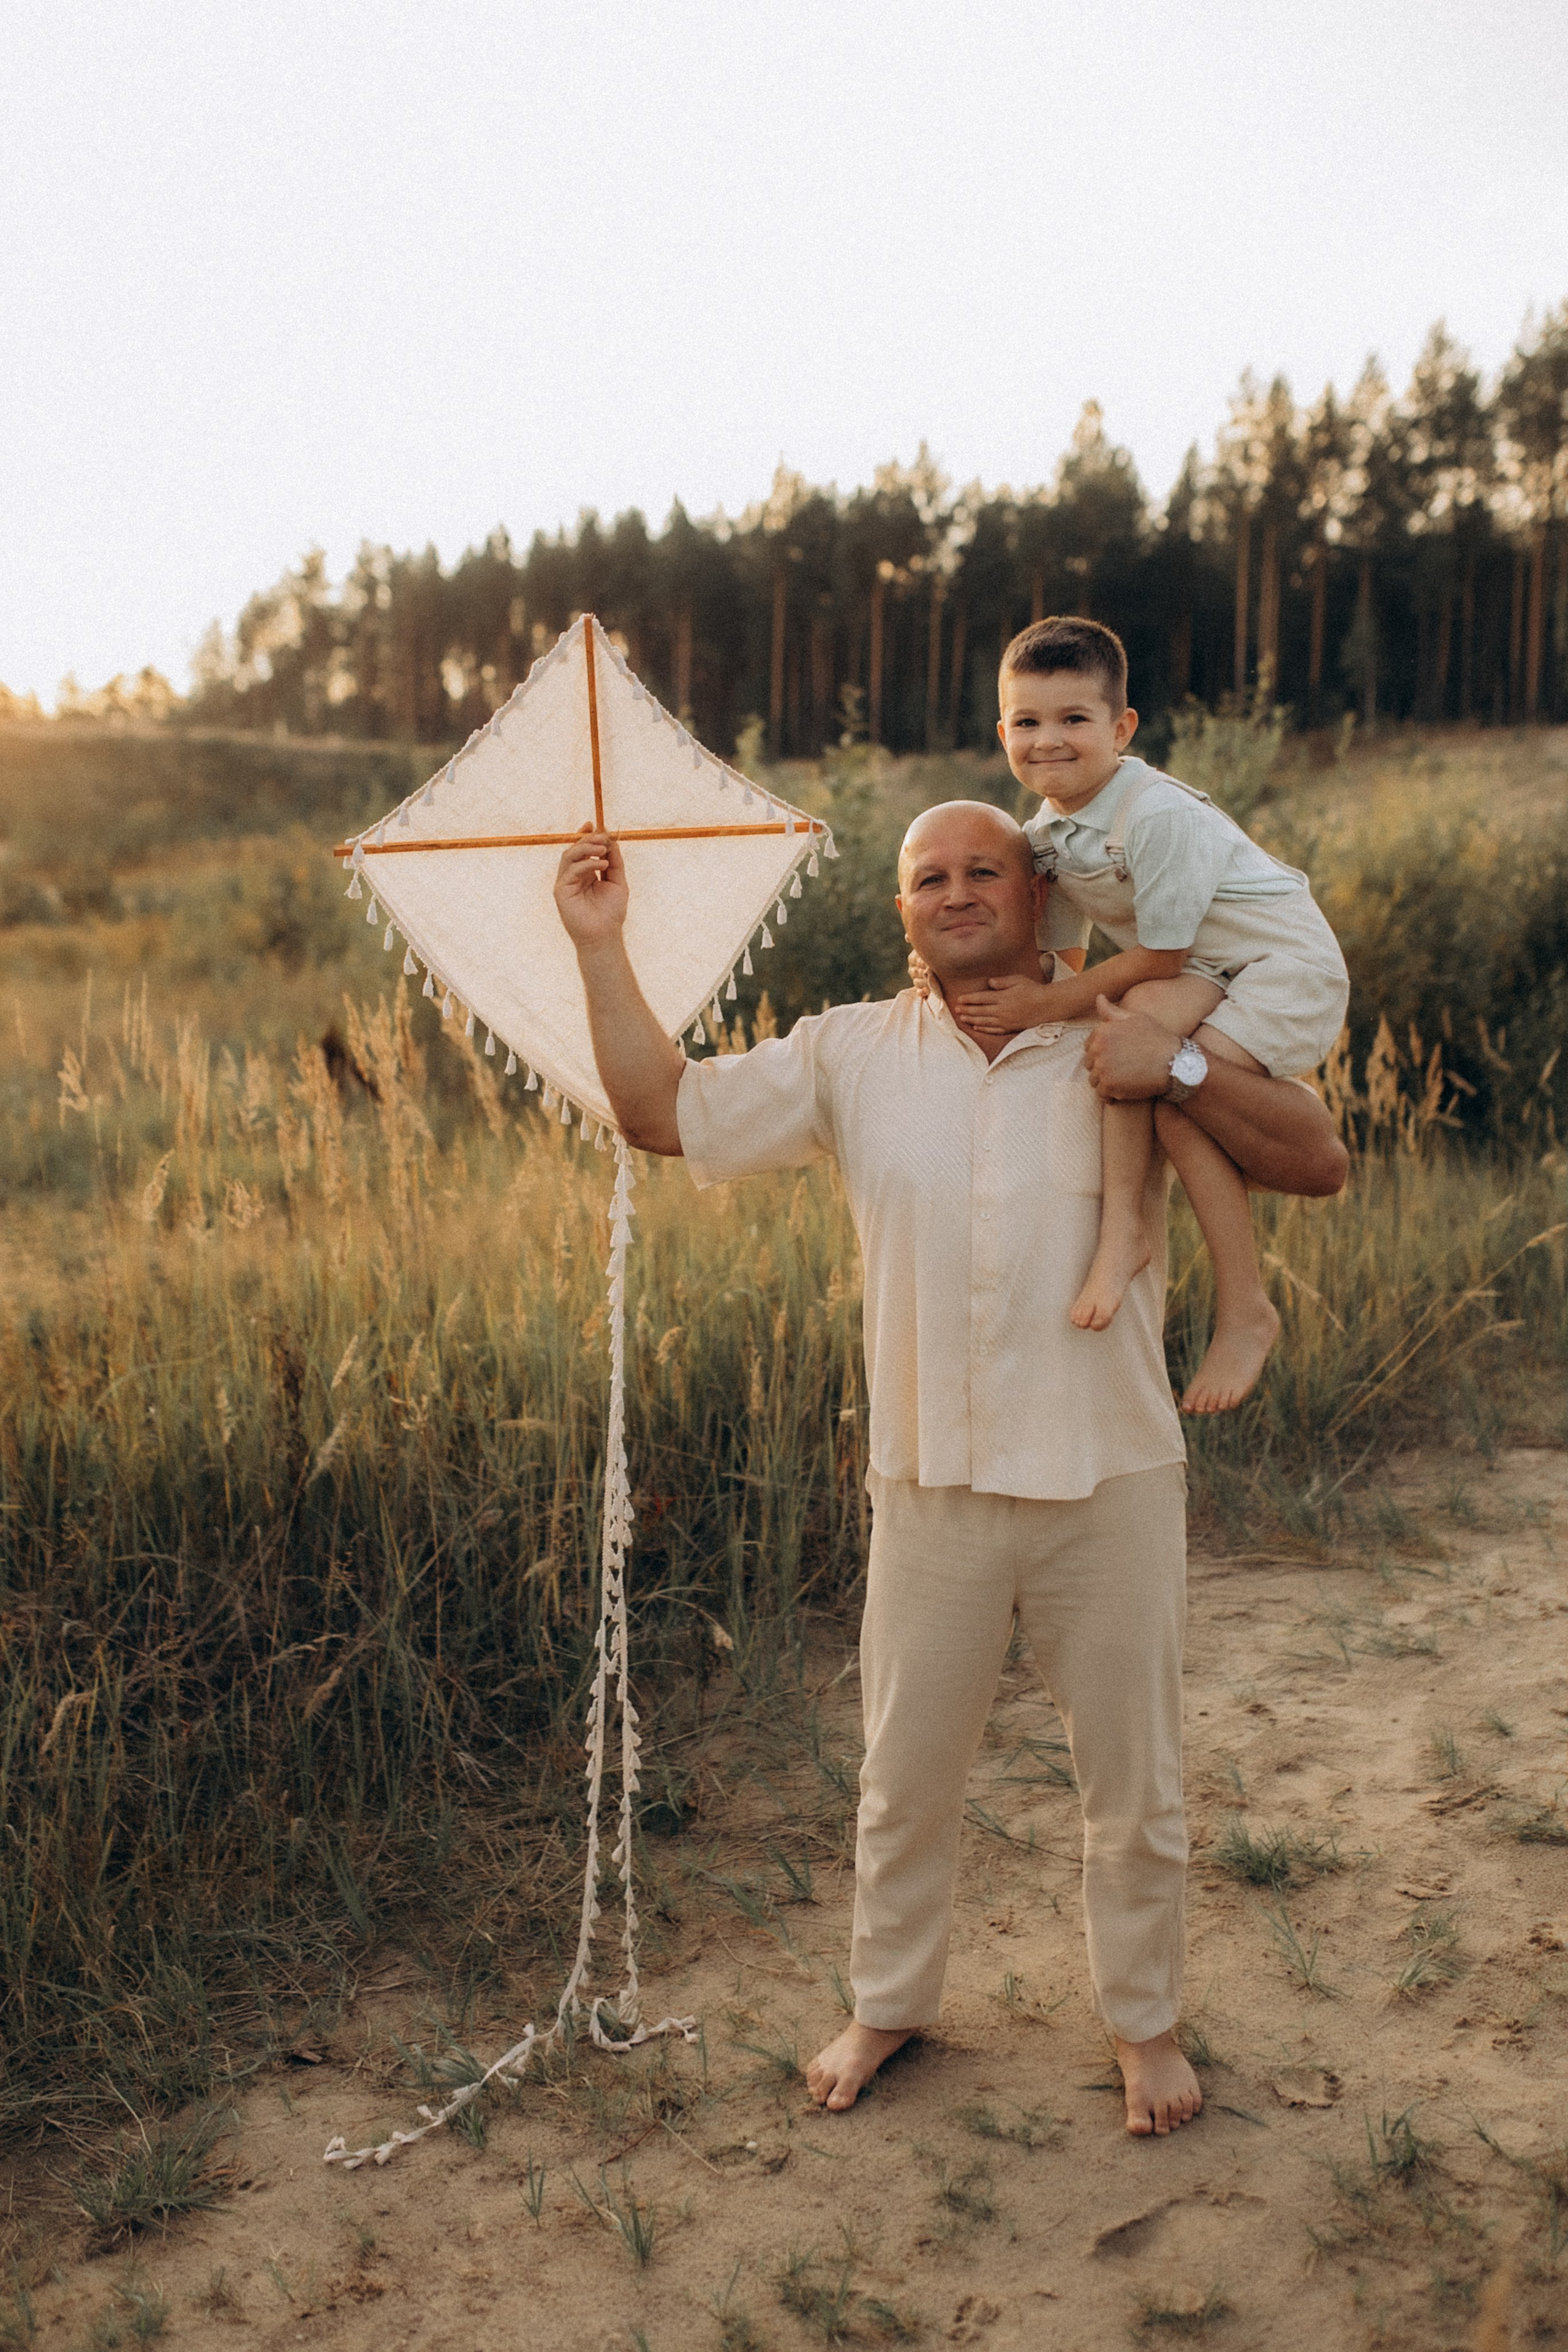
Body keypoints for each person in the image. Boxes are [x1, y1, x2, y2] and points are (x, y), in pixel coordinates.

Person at [552, 802, 1346, 2136]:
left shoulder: (1121, 1030)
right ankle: (889, 2002)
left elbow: (1314, 1158)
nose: (958, 889)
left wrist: (1178, 1069)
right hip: (929, 1483)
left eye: (985, 868)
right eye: (930, 877)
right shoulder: (853, 1051)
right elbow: (656, 1111)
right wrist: (598, 942)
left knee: (1133, 1782)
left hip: (1109, 1477)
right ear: (901, 911)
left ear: (1038, 892)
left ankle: (1141, 2024)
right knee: (903, 1772)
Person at [951, 617, 1349, 1415]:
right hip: (1208, 971)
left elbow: (1158, 960)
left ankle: (1243, 1306)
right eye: (1027, 722)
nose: (1048, 740)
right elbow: (1058, 967)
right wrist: (948, 974)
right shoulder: (1046, 842)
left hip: (1281, 966)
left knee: (1169, 1078)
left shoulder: (1153, 815)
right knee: (1133, 1031)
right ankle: (1126, 1231)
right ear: (1002, 733)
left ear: (1121, 727)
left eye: (1075, 719)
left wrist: (1038, 1004)